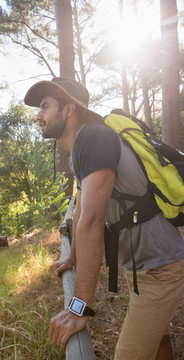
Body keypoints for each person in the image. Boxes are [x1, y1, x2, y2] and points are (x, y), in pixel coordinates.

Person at [24, 77, 184, 360]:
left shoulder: (93, 137)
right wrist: (71, 258)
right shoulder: (83, 147)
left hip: (160, 268)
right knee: (157, 342)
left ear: (69, 108)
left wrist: (78, 307)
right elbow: (82, 211)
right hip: (146, 266)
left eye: (45, 106)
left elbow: (93, 220)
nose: (39, 116)